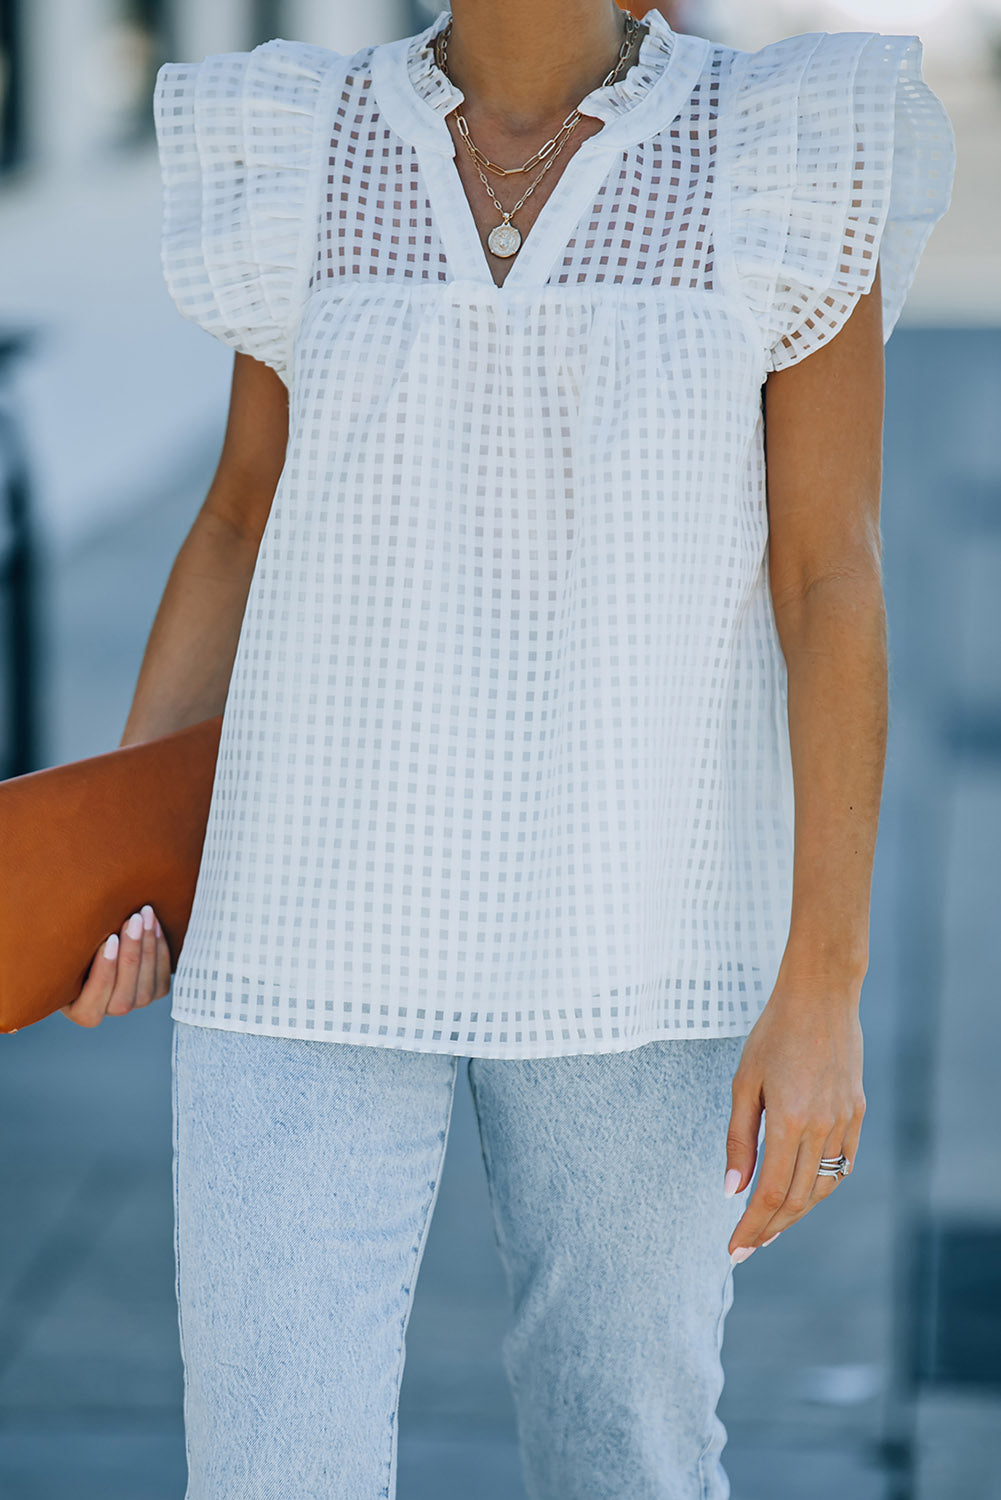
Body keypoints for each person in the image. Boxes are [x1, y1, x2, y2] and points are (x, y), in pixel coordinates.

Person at [60, 3, 955, 1495]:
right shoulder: (305, 140)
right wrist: (113, 867)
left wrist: (824, 981)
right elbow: (238, 512)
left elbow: (830, 574)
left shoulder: (785, 146)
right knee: (271, 1466)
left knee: (627, 1455)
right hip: (304, 923)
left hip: (638, 929)